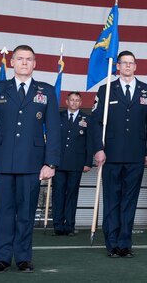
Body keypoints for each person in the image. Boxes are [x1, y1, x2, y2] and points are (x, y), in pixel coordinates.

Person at [0, 45, 60, 274]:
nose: (24, 63)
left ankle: (23, 258)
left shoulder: (47, 91)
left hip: (33, 163)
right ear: (11, 62)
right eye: (20, 59)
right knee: (4, 212)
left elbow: (53, 130)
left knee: (26, 213)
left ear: (35, 64)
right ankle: (2, 258)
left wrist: (50, 162)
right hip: (2, 161)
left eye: (29, 59)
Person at [90, 51, 147, 258]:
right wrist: (98, 149)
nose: (128, 66)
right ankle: (111, 244)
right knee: (112, 200)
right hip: (110, 155)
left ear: (136, 67)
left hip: (136, 155)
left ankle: (124, 243)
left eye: (131, 63)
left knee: (130, 201)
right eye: (124, 63)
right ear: (117, 66)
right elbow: (95, 122)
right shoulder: (106, 90)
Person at [52, 92, 91, 236]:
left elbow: (89, 142)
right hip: (59, 163)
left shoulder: (87, 119)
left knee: (72, 195)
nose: (74, 103)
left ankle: (69, 226)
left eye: (77, 100)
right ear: (67, 102)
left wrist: (88, 162)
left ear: (80, 103)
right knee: (58, 194)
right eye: (72, 100)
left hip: (76, 163)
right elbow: (52, 140)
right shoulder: (58, 116)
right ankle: (57, 226)